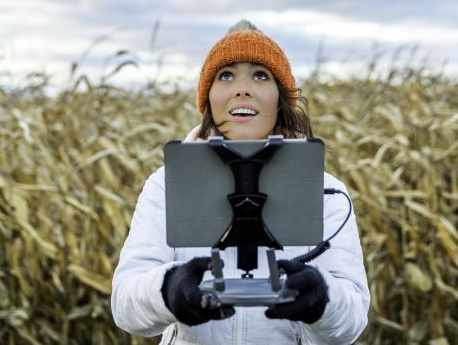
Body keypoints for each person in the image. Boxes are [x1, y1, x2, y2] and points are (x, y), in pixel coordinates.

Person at [111, 20, 369, 344]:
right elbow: (125, 305)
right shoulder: (167, 185)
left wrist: (323, 300)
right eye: (226, 75)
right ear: (208, 100)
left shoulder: (327, 193)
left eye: (260, 75)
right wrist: (168, 288)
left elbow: (352, 320)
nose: (241, 88)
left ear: (281, 99)